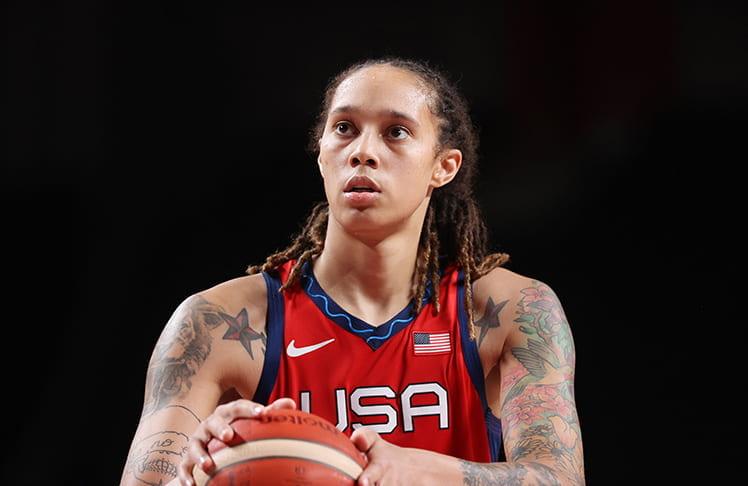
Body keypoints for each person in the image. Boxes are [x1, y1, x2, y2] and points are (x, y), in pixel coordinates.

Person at [120, 57, 585, 486]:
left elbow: (560, 478)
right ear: (321, 153)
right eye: (344, 128)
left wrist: (416, 469)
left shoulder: (506, 310)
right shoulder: (216, 321)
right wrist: (198, 472)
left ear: (443, 166)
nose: (363, 151)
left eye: (396, 132)